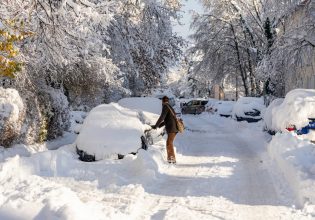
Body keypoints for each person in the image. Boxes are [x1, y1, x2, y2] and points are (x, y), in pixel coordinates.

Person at [151, 96, 178, 164]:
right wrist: (159, 126)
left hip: (172, 128)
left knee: (169, 143)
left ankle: (171, 159)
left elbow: (162, 117)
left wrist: (156, 125)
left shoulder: (165, 106)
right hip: (173, 128)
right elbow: (167, 119)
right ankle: (171, 159)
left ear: (162, 101)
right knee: (169, 143)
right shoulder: (169, 106)